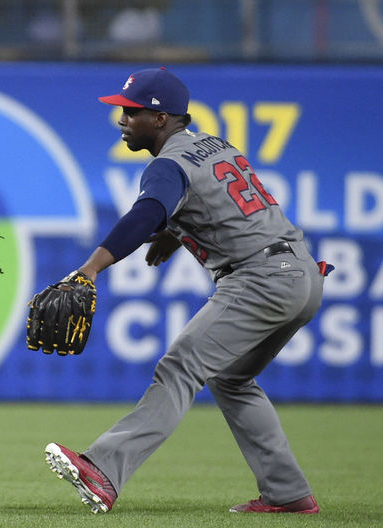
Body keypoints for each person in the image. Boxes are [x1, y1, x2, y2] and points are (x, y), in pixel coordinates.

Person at [43, 68, 330, 515]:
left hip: (261, 279)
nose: (121, 118)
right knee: (231, 378)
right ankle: (288, 493)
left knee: (179, 368)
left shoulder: (166, 164)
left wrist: (90, 268)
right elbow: (219, 201)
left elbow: (144, 215)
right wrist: (172, 234)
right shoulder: (212, 144)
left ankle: (103, 468)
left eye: (132, 111)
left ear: (160, 119)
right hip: (302, 275)